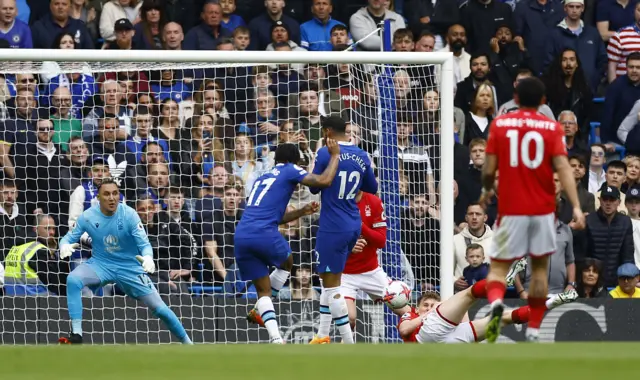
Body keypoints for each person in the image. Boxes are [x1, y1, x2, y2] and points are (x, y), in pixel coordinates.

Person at [479, 77, 585, 343]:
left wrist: (486, 190)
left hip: (511, 209)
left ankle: (494, 308)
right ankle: (535, 330)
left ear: (515, 99)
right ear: (542, 102)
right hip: (542, 211)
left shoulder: (500, 124)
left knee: (499, 269)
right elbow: (563, 168)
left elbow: (489, 169)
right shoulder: (551, 127)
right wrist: (576, 206)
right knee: (539, 271)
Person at [57, 178, 192, 345]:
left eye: (115, 193)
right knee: (73, 279)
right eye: (106, 194)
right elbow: (68, 238)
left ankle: (188, 343)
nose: (112, 198)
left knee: (160, 309)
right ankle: (76, 334)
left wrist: (148, 258)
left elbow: (144, 244)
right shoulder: (88, 217)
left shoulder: (129, 214)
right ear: (98, 197)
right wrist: (64, 246)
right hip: (101, 264)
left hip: (129, 267)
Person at [239, 140, 341, 344]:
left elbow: (274, 216)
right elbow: (324, 181)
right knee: (288, 261)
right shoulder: (289, 168)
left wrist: (302, 211)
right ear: (293, 161)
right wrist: (335, 155)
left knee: (263, 291)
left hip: (242, 234)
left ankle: (276, 338)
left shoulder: (262, 177)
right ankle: (261, 309)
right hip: (264, 233)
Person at [309, 115, 378, 344]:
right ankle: (321, 335)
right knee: (331, 281)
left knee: (330, 285)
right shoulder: (361, 154)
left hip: (332, 226)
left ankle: (348, 343)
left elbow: (315, 186)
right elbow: (371, 187)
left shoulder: (324, 153)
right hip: (353, 222)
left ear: (328, 131)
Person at [397, 278, 578, 343]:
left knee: (505, 318)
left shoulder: (433, 315)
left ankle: (550, 302)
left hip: (453, 339)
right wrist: (432, 312)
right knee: (468, 294)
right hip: (427, 338)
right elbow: (404, 329)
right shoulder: (410, 314)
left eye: (432, 305)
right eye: (425, 306)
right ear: (417, 308)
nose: (429, 308)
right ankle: (500, 282)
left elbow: (465, 327)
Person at [338, 191, 410, 340]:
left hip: (372, 271)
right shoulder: (338, 202)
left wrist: (361, 226)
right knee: (349, 318)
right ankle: (346, 354)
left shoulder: (374, 202)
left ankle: (423, 341)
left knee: (406, 310)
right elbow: (328, 241)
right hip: (345, 273)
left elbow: (381, 241)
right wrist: (349, 247)